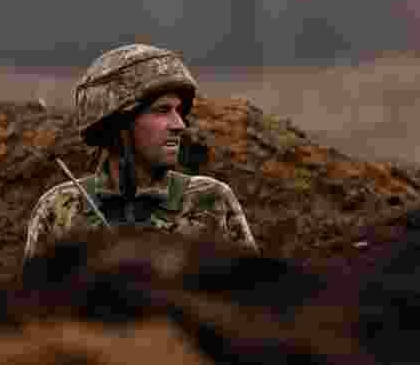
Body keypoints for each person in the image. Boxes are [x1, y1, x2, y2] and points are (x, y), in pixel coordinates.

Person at [22, 43, 258, 263]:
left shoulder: (210, 200)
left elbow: (255, 302)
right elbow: (33, 305)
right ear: (118, 126)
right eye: (162, 110)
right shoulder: (60, 209)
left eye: (178, 111)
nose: (179, 125)